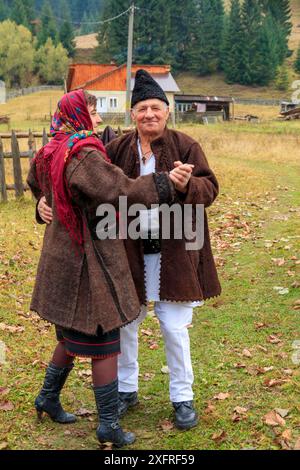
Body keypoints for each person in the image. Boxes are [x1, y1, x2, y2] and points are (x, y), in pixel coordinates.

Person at [38, 71, 221, 431]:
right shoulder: (116, 148)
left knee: (173, 326)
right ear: (132, 114)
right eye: (142, 109)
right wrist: (43, 203)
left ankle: (182, 397)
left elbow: (210, 189)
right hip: (128, 253)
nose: (149, 114)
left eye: (155, 108)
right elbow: (81, 185)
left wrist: (187, 187)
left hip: (176, 252)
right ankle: (126, 390)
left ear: (167, 112)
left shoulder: (187, 146)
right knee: (127, 323)